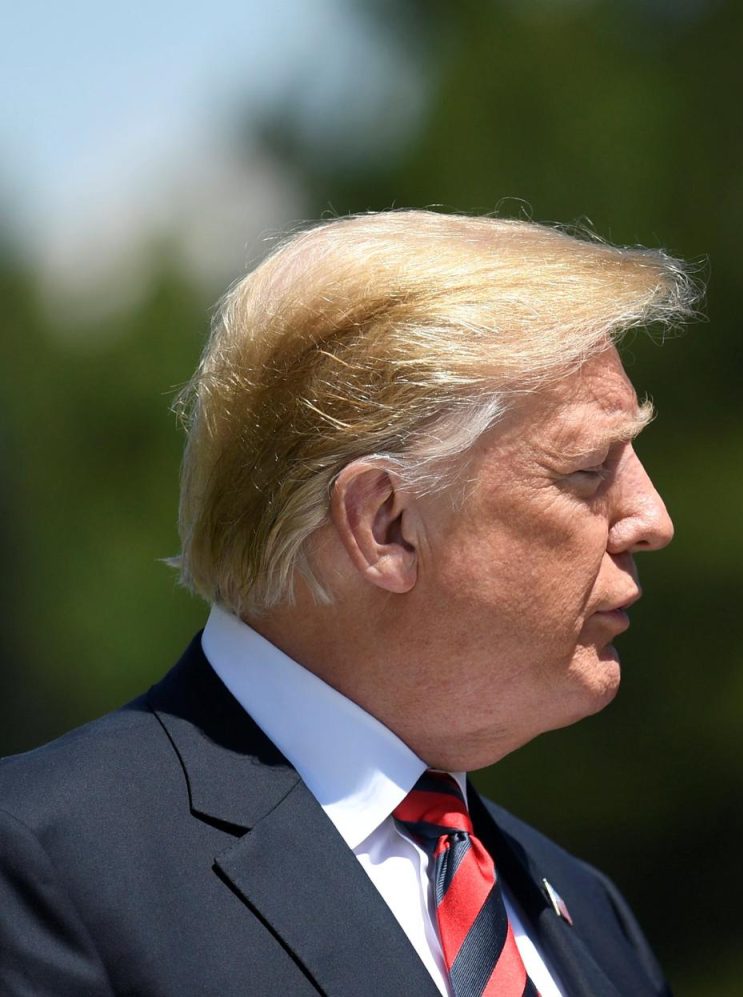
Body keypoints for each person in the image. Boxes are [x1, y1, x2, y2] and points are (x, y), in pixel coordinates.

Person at [0, 210, 694, 996]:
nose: (653, 517)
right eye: (587, 468)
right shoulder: (44, 868)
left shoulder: (592, 915)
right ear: (385, 524)